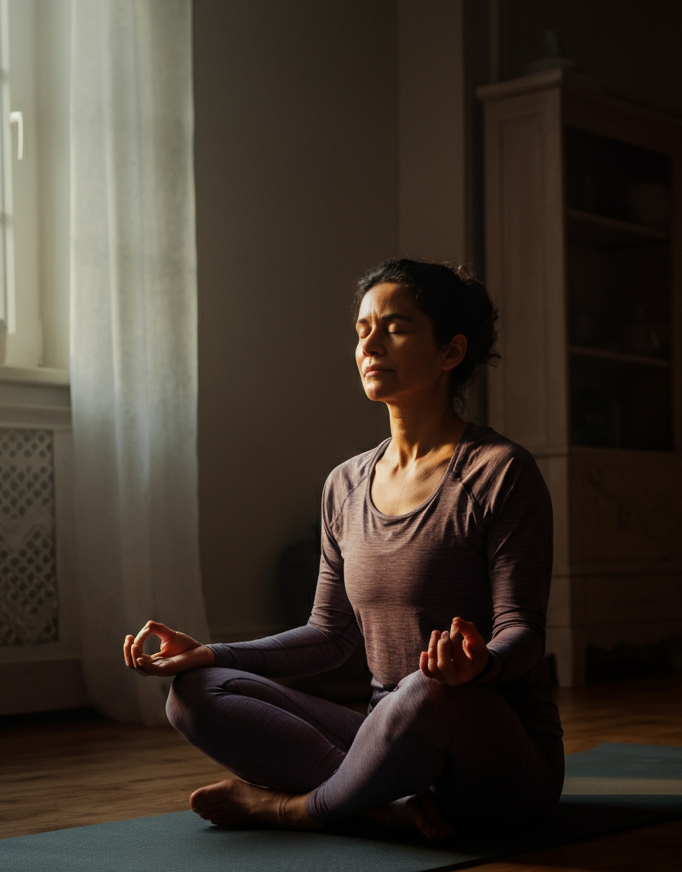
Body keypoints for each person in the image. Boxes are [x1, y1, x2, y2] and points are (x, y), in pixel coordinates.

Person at [123, 258, 563, 841]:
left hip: (491, 749)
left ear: (451, 352)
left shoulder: (500, 473)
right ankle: (381, 804)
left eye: (396, 327)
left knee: (427, 692)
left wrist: (482, 664)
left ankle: (291, 809)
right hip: (389, 738)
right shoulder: (345, 484)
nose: (371, 344)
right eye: (362, 331)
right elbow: (329, 636)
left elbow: (523, 631)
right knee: (195, 693)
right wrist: (209, 654)